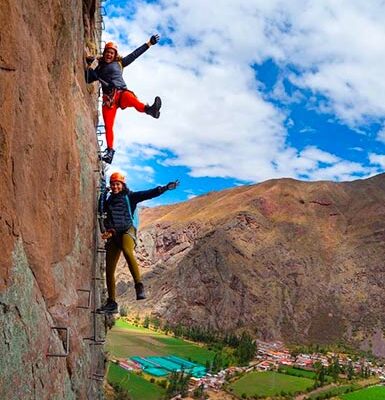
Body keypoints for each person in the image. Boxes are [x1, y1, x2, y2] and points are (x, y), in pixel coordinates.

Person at [97, 172, 179, 314]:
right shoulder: (109, 201)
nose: (115, 187)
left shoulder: (130, 197)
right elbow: (102, 211)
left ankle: (139, 285)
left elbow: (148, 194)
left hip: (127, 231)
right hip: (114, 234)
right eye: (113, 184)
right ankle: (112, 303)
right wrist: (104, 194)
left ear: (123, 185)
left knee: (127, 251)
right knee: (109, 270)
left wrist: (164, 188)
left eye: (118, 184)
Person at [86, 35, 162, 164]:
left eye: (112, 53)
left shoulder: (120, 63)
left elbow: (134, 55)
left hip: (121, 93)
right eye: (107, 52)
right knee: (109, 126)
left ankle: (149, 110)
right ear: (104, 53)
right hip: (108, 100)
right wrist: (91, 68)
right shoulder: (98, 65)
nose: (109, 55)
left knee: (131, 98)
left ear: (115, 55)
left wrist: (149, 44)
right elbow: (88, 78)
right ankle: (110, 152)